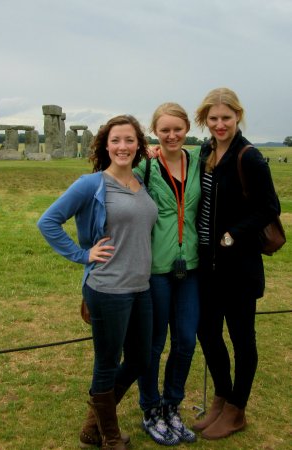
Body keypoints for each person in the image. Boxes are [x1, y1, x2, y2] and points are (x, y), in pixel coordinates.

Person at [37, 115, 158, 449]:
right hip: (107, 288)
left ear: (139, 145)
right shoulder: (91, 184)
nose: (123, 146)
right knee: (107, 362)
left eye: (129, 140)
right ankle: (110, 436)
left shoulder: (140, 182)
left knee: (140, 359)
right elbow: (48, 221)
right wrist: (82, 254)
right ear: (105, 145)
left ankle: (93, 425)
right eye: (115, 140)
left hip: (141, 287)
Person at [192, 87, 280, 440]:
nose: (220, 124)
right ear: (204, 119)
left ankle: (237, 409)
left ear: (237, 116)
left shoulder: (249, 157)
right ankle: (222, 397)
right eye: (213, 118)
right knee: (207, 332)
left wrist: (233, 234)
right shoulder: (205, 151)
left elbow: (269, 208)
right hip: (207, 265)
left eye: (226, 118)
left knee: (242, 338)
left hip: (239, 265)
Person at [133, 103, 201, 446]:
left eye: (178, 129)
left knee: (186, 340)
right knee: (153, 343)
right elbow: (110, 177)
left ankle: (171, 405)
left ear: (187, 128)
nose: (172, 135)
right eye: (165, 130)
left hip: (190, 267)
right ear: (154, 132)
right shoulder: (144, 167)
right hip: (155, 269)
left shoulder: (199, 162)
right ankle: (150, 409)